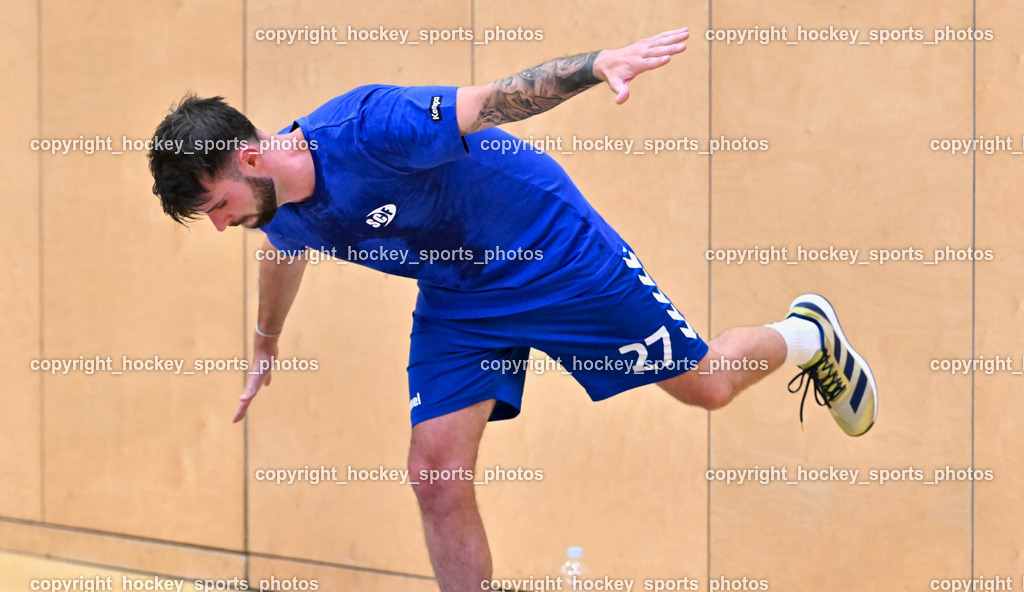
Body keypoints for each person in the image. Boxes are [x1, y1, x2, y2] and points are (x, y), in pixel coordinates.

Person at [148, 27, 877, 592]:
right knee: (435, 473)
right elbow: (283, 250)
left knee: (707, 386)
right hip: (461, 298)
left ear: (250, 159)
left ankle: (805, 335)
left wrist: (596, 65)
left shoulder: (372, 128)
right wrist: (266, 338)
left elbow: (496, 99)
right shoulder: (274, 209)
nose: (221, 226)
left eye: (217, 206)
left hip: (553, 254)